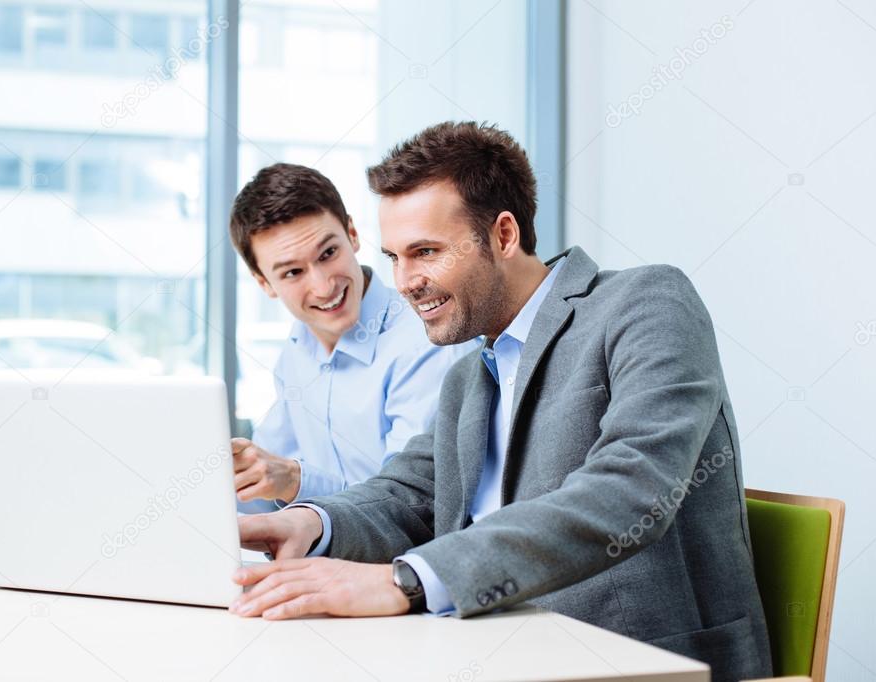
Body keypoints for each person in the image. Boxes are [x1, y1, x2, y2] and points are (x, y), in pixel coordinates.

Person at [228, 123, 772, 681]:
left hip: (635, 660)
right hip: (488, 652)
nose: (405, 281)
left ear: (504, 235)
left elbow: (630, 489)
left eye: (426, 252)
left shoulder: (644, 304)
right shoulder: (471, 373)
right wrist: (309, 524)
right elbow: (409, 492)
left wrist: (406, 579)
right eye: (394, 256)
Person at [228, 163, 475, 511]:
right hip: (322, 557)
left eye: (328, 254)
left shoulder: (427, 342)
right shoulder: (298, 349)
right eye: (293, 272)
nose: (324, 286)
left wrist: (294, 481)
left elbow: (407, 507)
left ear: (353, 234)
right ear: (265, 283)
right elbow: (263, 482)